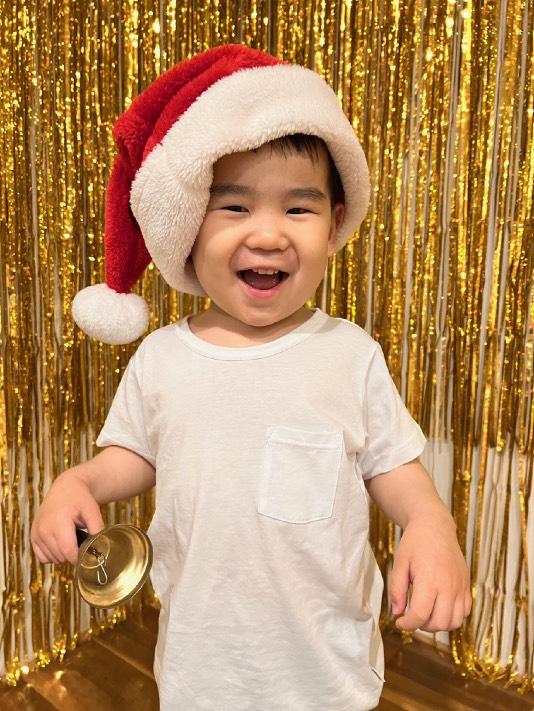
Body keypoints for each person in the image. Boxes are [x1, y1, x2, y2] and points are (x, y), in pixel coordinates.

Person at [31, 44, 471, 710]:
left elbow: (393, 465)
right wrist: (80, 481)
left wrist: (431, 522)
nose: (268, 235)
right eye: (234, 208)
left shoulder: (349, 355)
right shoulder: (162, 358)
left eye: (298, 209)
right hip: (201, 672)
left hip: (326, 675)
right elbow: (135, 454)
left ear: (334, 225)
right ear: (187, 226)